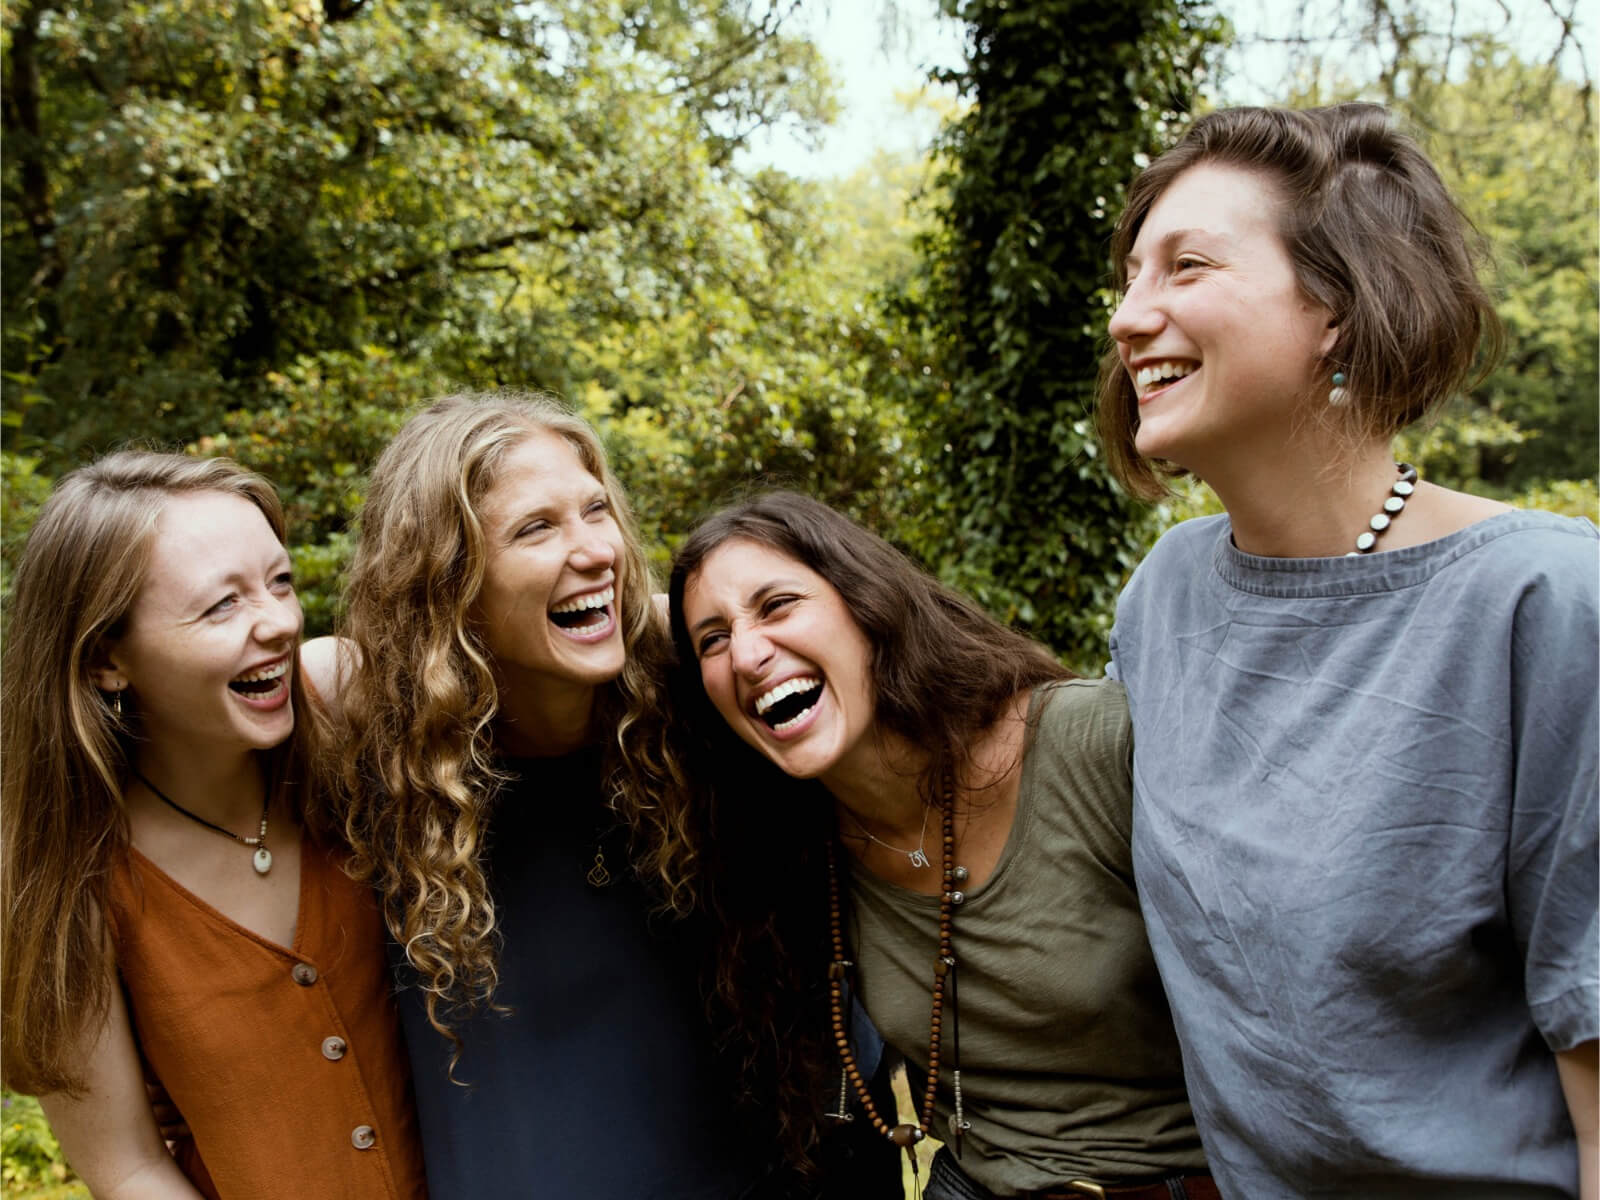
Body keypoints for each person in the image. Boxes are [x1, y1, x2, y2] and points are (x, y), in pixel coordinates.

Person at [1098, 102, 1599, 1199]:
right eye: (1129, 278)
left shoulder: (1546, 603)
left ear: (1334, 303)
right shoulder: (1164, 599)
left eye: (1186, 267)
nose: (1131, 317)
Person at [302, 392, 891, 1199]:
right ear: (448, 583)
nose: (595, 551)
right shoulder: (377, 748)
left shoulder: (694, 687)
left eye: (596, 510)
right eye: (536, 529)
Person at [666, 490, 1213, 1200]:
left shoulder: (1086, 744)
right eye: (712, 638)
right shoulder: (800, 847)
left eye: (777, 605)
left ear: (865, 603)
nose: (746, 653)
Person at [0, 450, 425, 1199]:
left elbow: (532, 655)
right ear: (106, 657)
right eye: (221, 605)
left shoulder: (348, 706)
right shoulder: (65, 880)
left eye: (281, 582)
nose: (280, 624)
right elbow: (126, 1167)